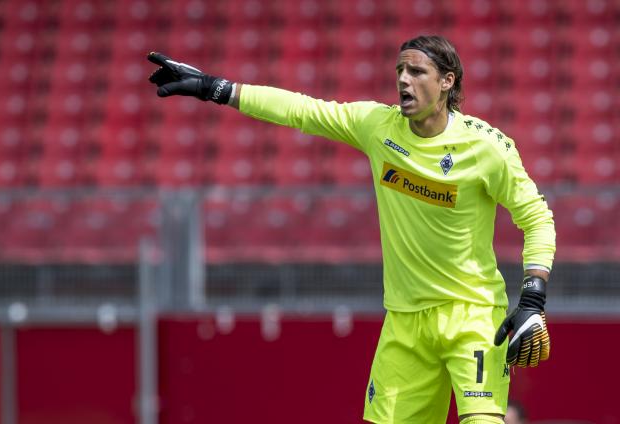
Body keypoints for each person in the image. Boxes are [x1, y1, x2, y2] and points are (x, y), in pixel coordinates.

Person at [147, 35, 555, 424]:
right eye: (400, 70)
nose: (402, 80)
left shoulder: (487, 148)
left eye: (416, 71)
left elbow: (535, 217)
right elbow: (301, 110)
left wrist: (533, 296)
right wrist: (216, 88)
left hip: (473, 315)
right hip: (405, 320)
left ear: (447, 81)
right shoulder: (377, 126)